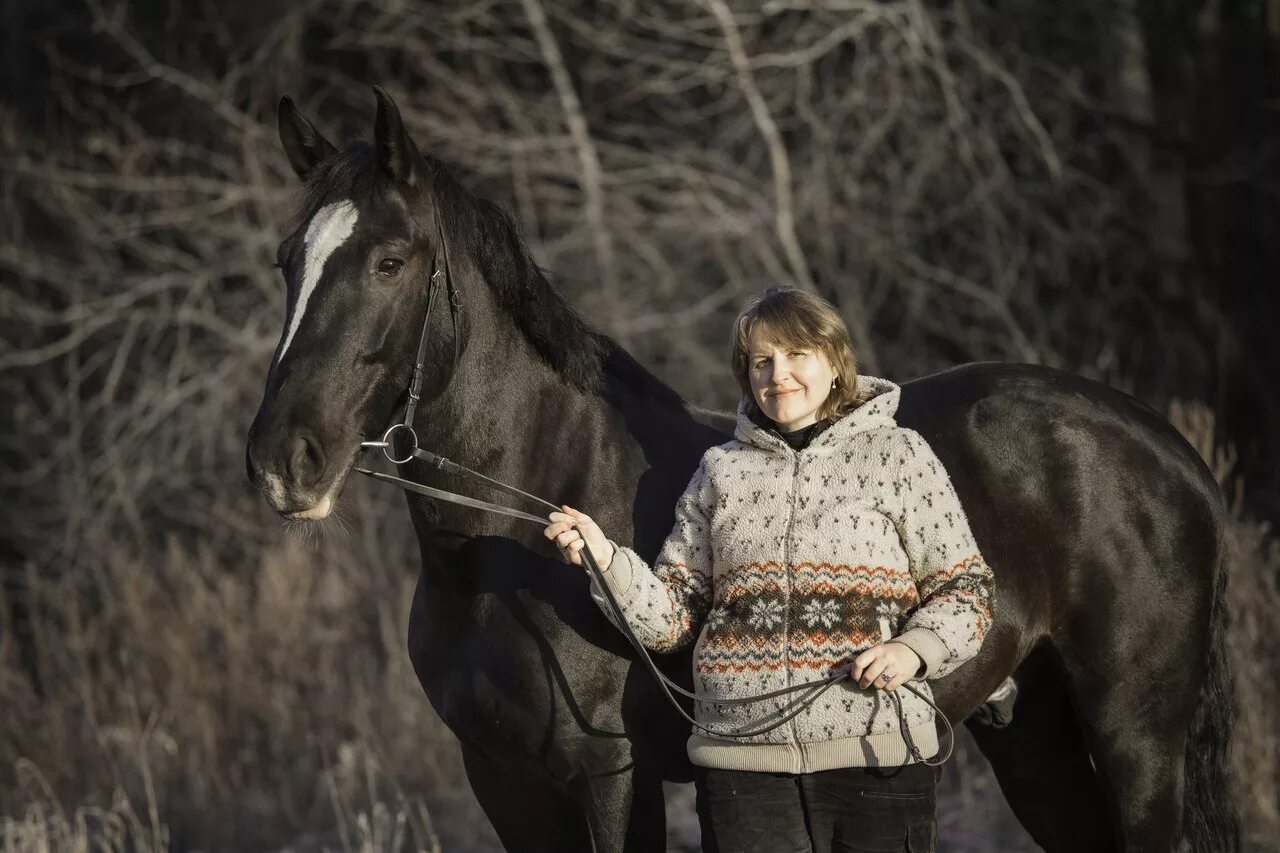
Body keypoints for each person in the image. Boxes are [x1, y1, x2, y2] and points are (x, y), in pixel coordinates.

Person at [543, 285, 996, 853]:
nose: (778, 373)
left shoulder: (897, 455)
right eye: (762, 361)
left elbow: (967, 589)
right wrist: (604, 560)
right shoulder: (721, 471)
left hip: (876, 755)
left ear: (835, 363)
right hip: (741, 772)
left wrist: (914, 649)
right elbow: (672, 618)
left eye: (796, 354)